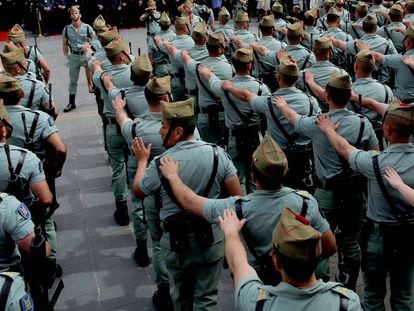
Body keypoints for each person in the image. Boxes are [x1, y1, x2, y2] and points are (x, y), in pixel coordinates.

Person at [158, 134, 336, 285]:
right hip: (300, 281)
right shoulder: (306, 201)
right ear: (285, 172)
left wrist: (173, 176)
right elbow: (330, 246)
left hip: (261, 282)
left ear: (253, 175)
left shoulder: (238, 208)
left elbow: (190, 202)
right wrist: (302, 264)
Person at [132, 97, 242, 310]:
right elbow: (237, 197)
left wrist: (142, 161)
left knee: (182, 296)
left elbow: (138, 191)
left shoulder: (161, 164)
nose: (160, 132)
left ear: (178, 131)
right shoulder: (218, 155)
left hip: (177, 242)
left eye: (164, 126)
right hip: (211, 239)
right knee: (207, 297)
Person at [273, 70, 379, 290]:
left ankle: (320, 283)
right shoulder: (363, 123)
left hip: (326, 192)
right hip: (354, 192)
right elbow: (374, 155)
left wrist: (283, 105)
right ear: (349, 94)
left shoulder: (318, 123)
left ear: (327, 95)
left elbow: (293, 119)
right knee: (350, 240)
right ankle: (349, 283)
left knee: (320, 236)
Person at [315, 99, 414, 310]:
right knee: (404, 296)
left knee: (373, 297)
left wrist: (328, 129)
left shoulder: (374, 162)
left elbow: (344, 148)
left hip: (378, 238)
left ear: (387, 129)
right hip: (408, 237)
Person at [218, 207, 361, 310]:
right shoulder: (347, 303)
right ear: (318, 259)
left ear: (276, 262)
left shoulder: (256, 302)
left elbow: (238, 263)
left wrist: (231, 232)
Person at [111, 76, 174, 310]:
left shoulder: (137, 128)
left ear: (146, 99)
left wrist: (119, 108)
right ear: (167, 97)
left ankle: (161, 285)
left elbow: (122, 120)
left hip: (149, 188)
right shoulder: (181, 127)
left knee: (155, 241)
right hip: (176, 190)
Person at [222, 55, 320, 192]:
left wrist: (230, 87)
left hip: (277, 160)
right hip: (303, 159)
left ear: (278, 78)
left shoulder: (269, 103)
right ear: (297, 78)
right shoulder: (311, 102)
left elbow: (246, 95)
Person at [197, 47, 271, 194]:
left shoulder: (225, 86)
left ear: (234, 65)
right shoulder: (262, 88)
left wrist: (207, 73)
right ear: (250, 65)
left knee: (238, 175)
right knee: (256, 173)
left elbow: (213, 81)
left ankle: (241, 205)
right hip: (255, 135)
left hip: (234, 137)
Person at [90, 38, 136, 227]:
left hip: (112, 127)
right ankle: (138, 205)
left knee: (117, 170)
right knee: (134, 166)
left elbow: (95, 67)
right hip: (131, 125)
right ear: (122, 55)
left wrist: (99, 64)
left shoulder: (101, 77)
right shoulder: (133, 71)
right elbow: (133, 59)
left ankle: (122, 208)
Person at [0, 48, 58, 118]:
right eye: (24, 63)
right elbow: (54, 111)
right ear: (18, 69)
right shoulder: (38, 85)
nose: (26, 65)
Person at [62, 5, 95, 112]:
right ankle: (72, 102)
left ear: (80, 15)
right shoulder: (67, 29)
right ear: (70, 16)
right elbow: (64, 44)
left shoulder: (87, 27)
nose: (74, 15)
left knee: (94, 77)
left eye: (76, 13)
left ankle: (99, 97)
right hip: (74, 56)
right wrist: (66, 57)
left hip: (86, 54)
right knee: (72, 80)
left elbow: (94, 40)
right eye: (72, 13)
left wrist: (92, 52)